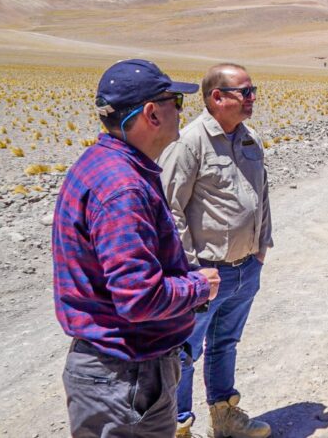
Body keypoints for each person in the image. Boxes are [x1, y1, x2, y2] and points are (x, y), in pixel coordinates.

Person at [52, 58, 219, 437]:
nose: (181, 112)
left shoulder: (104, 165)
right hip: (127, 377)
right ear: (151, 114)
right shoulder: (124, 188)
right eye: (175, 102)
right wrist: (199, 287)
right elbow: (138, 297)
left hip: (118, 374)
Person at [159, 64, 272, 438]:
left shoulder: (248, 138)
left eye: (253, 90)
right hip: (204, 272)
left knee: (226, 343)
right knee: (185, 352)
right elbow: (170, 208)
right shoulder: (189, 142)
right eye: (245, 91)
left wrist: (261, 247)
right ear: (217, 97)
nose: (252, 98)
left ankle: (224, 417)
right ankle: (178, 426)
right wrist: (189, 268)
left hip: (245, 268)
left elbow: (261, 196)